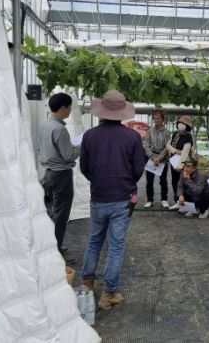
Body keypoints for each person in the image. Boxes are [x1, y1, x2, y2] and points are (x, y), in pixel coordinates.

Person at [79, 90, 146, 310]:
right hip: (122, 198)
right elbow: (138, 169)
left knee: (94, 241)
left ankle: (86, 284)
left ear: (102, 111)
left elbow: (84, 168)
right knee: (116, 247)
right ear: (122, 113)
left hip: (98, 196)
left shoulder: (89, 136)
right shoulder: (132, 137)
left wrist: (98, 180)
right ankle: (109, 294)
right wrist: (126, 180)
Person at [38, 92, 80, 264]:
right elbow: (69, 155)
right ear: (63, 107)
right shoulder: (60, 129)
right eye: (69, 107)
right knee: (60, 215)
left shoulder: (45, 125)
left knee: (50, 212)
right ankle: (55, 252)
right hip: (61, 175)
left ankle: (49, 248)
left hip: (48, 173)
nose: (70, 110)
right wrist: (80, 147)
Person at [143, 109, 171, 209]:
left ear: (163, 120)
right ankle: (149, 200)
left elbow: (167, 147)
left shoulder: (167, 132)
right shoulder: (149, 132)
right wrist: (153, 157)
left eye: (159, 118)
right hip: (151, 158)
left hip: (162, 159)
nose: (157, 120)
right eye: (155, 118)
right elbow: (146, 146)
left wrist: (159, 158)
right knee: (149, 181)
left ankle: (164, 199)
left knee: (163, 181)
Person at [166, 116, 194, 210]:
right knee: (174, 182)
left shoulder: (188, 136)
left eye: (183, 124)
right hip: (173, 162)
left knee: (183, 184)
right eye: (180, 123)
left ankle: (186, 204)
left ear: (187, 126)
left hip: (183, 164)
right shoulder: (175, 134)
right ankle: (177, 202)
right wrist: (175, 151)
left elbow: (185, 151)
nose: (181, 125)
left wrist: (180, 165)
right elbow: (168, 145)